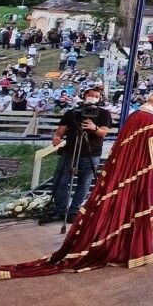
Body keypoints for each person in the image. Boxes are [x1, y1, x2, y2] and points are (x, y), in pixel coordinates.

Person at [0, 89, 153, 281]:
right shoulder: (148, 119)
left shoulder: (142, 115)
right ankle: (63, 211)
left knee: (83, 185)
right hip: (120, 170)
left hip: (114, 165)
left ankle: (72, 213)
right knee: (64, 182)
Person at [40, 88, 113, 224]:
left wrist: (94, 128)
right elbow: (59, 132)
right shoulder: (72, 113)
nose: (93, 97)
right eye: (90, 95)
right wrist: (56, 138)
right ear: (84, 96)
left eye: (96, 96)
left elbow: (104, 132)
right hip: (70, 152)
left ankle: (74, 211)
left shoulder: (104, 113)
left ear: (100, 99)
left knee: (84, 183)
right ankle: (60, 210)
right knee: (61, 182)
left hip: (91, 153)